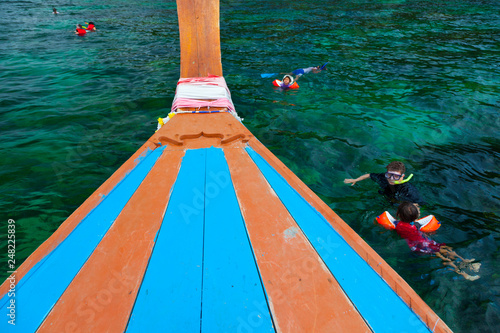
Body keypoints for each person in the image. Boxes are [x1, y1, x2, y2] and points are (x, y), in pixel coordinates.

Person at [394, 202, 480, 281]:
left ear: (399, 214)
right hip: (425, 243)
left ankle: (465, 263)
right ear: (415, 217)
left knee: (443, 252)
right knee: (445, 253)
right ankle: (464, 272)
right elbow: (427, 219)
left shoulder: (397, 225)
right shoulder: (415, 225)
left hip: (417, 246)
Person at [344, 161, 426, 206]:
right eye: (389, 175)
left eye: (396, 176)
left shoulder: (408, 190)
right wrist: (355, 180)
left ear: (402, 176)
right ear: (386, 173)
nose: (391, 179)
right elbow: (369, 175)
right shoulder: (383, 177)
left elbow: (418, 203)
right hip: (386, 195)